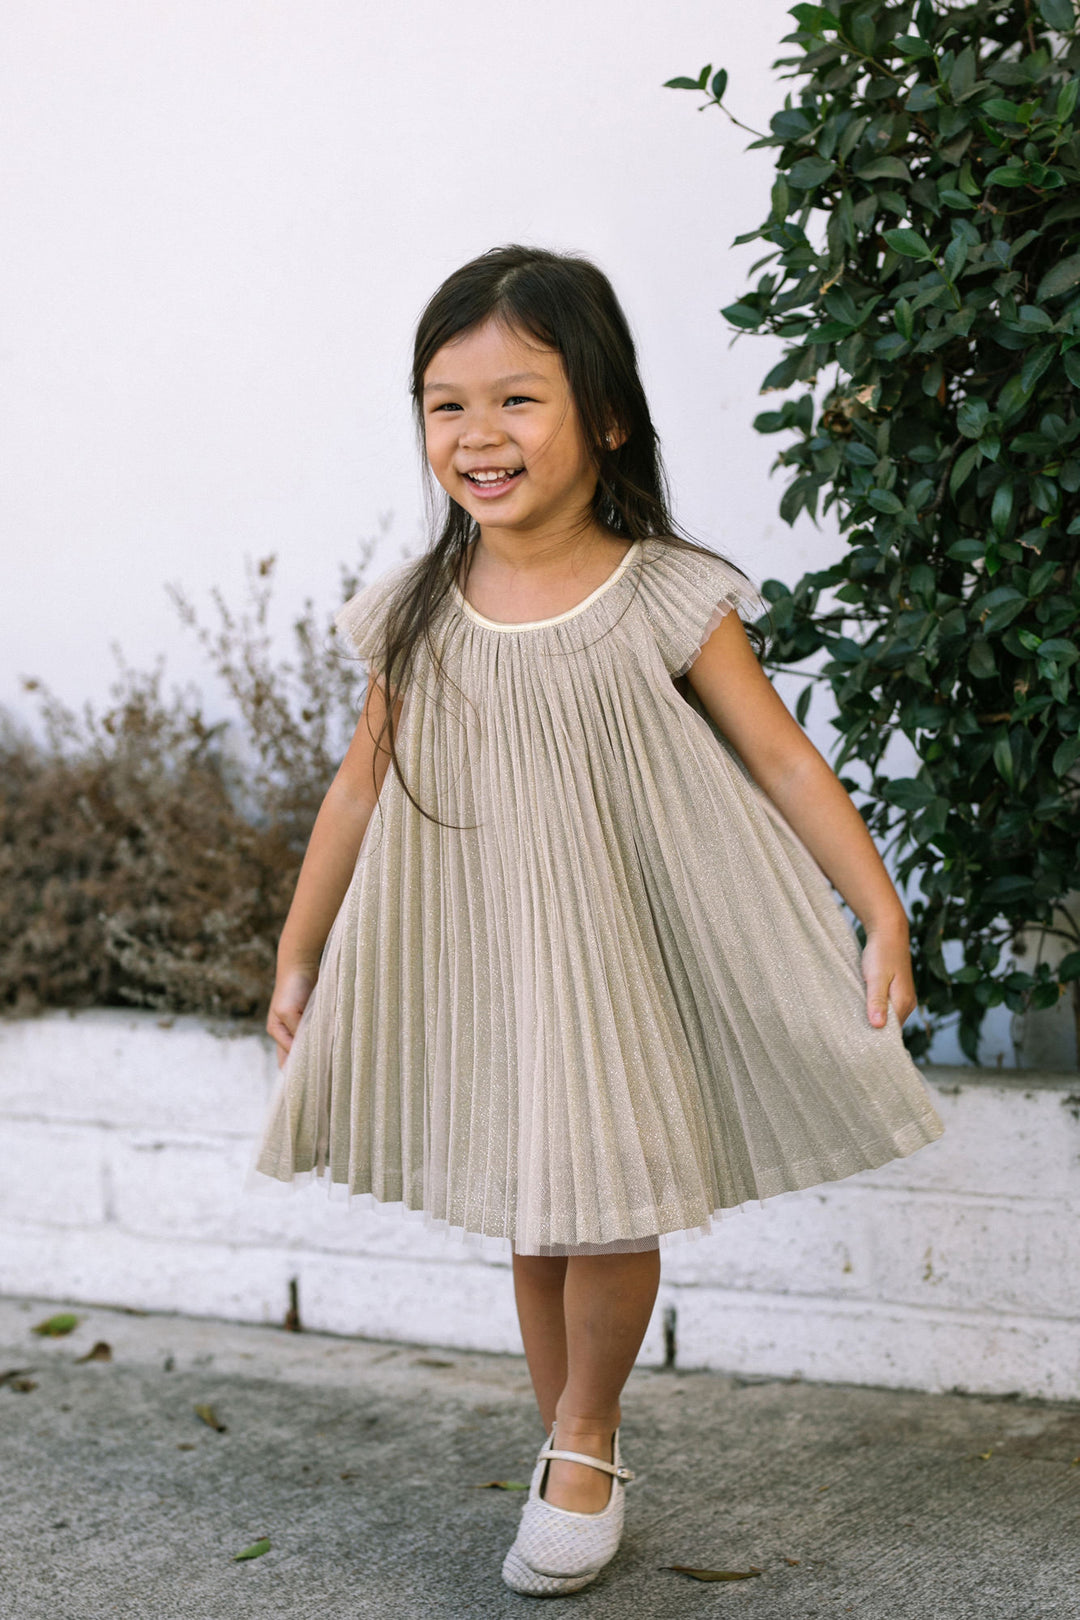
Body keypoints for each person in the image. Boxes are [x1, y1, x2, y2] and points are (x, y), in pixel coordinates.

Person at [246, 243, 945, 1597]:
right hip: (496, 954)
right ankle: (565, 1434)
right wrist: (299, 946)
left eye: (519, 398)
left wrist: (879, 913)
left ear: (606, 416)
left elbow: (786, 760)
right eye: (446, 403)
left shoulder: (664, 594)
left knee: (609, 1192)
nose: (478, 434)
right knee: (536, 1203)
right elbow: (358, 782)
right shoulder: (420, 613)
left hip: (619, 951)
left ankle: (585, 1439)